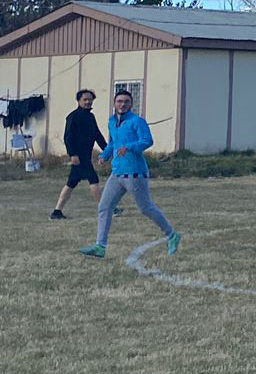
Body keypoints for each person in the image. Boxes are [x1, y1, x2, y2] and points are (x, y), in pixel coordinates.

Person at [79, 89, 179, 259]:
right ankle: (100, 246)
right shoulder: (112, 122)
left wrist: (130, 147)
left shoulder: (137, 121)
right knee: (104, 207)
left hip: (134, 173)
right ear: (114, 103)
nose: (122, 104)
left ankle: (172, 235)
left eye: (126, 101)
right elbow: (113, 143)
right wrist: (104, 155)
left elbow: (147, 141)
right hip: (117, 173)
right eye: (119, 101)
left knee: (145, 208)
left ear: (131, 104)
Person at [51, 89, 106, 220]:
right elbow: (68, 137)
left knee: (71, 183)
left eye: (90, 99)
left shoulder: (90, 117)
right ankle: (105, 209)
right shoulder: (73, 116)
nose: (88, 102)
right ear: (79, 101)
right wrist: (72, 154)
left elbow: (97, 134)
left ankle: (57, 211)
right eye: (85, 99)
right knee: (93, 180)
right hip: (79, 156)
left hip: (86, 155)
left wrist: (107, 149)